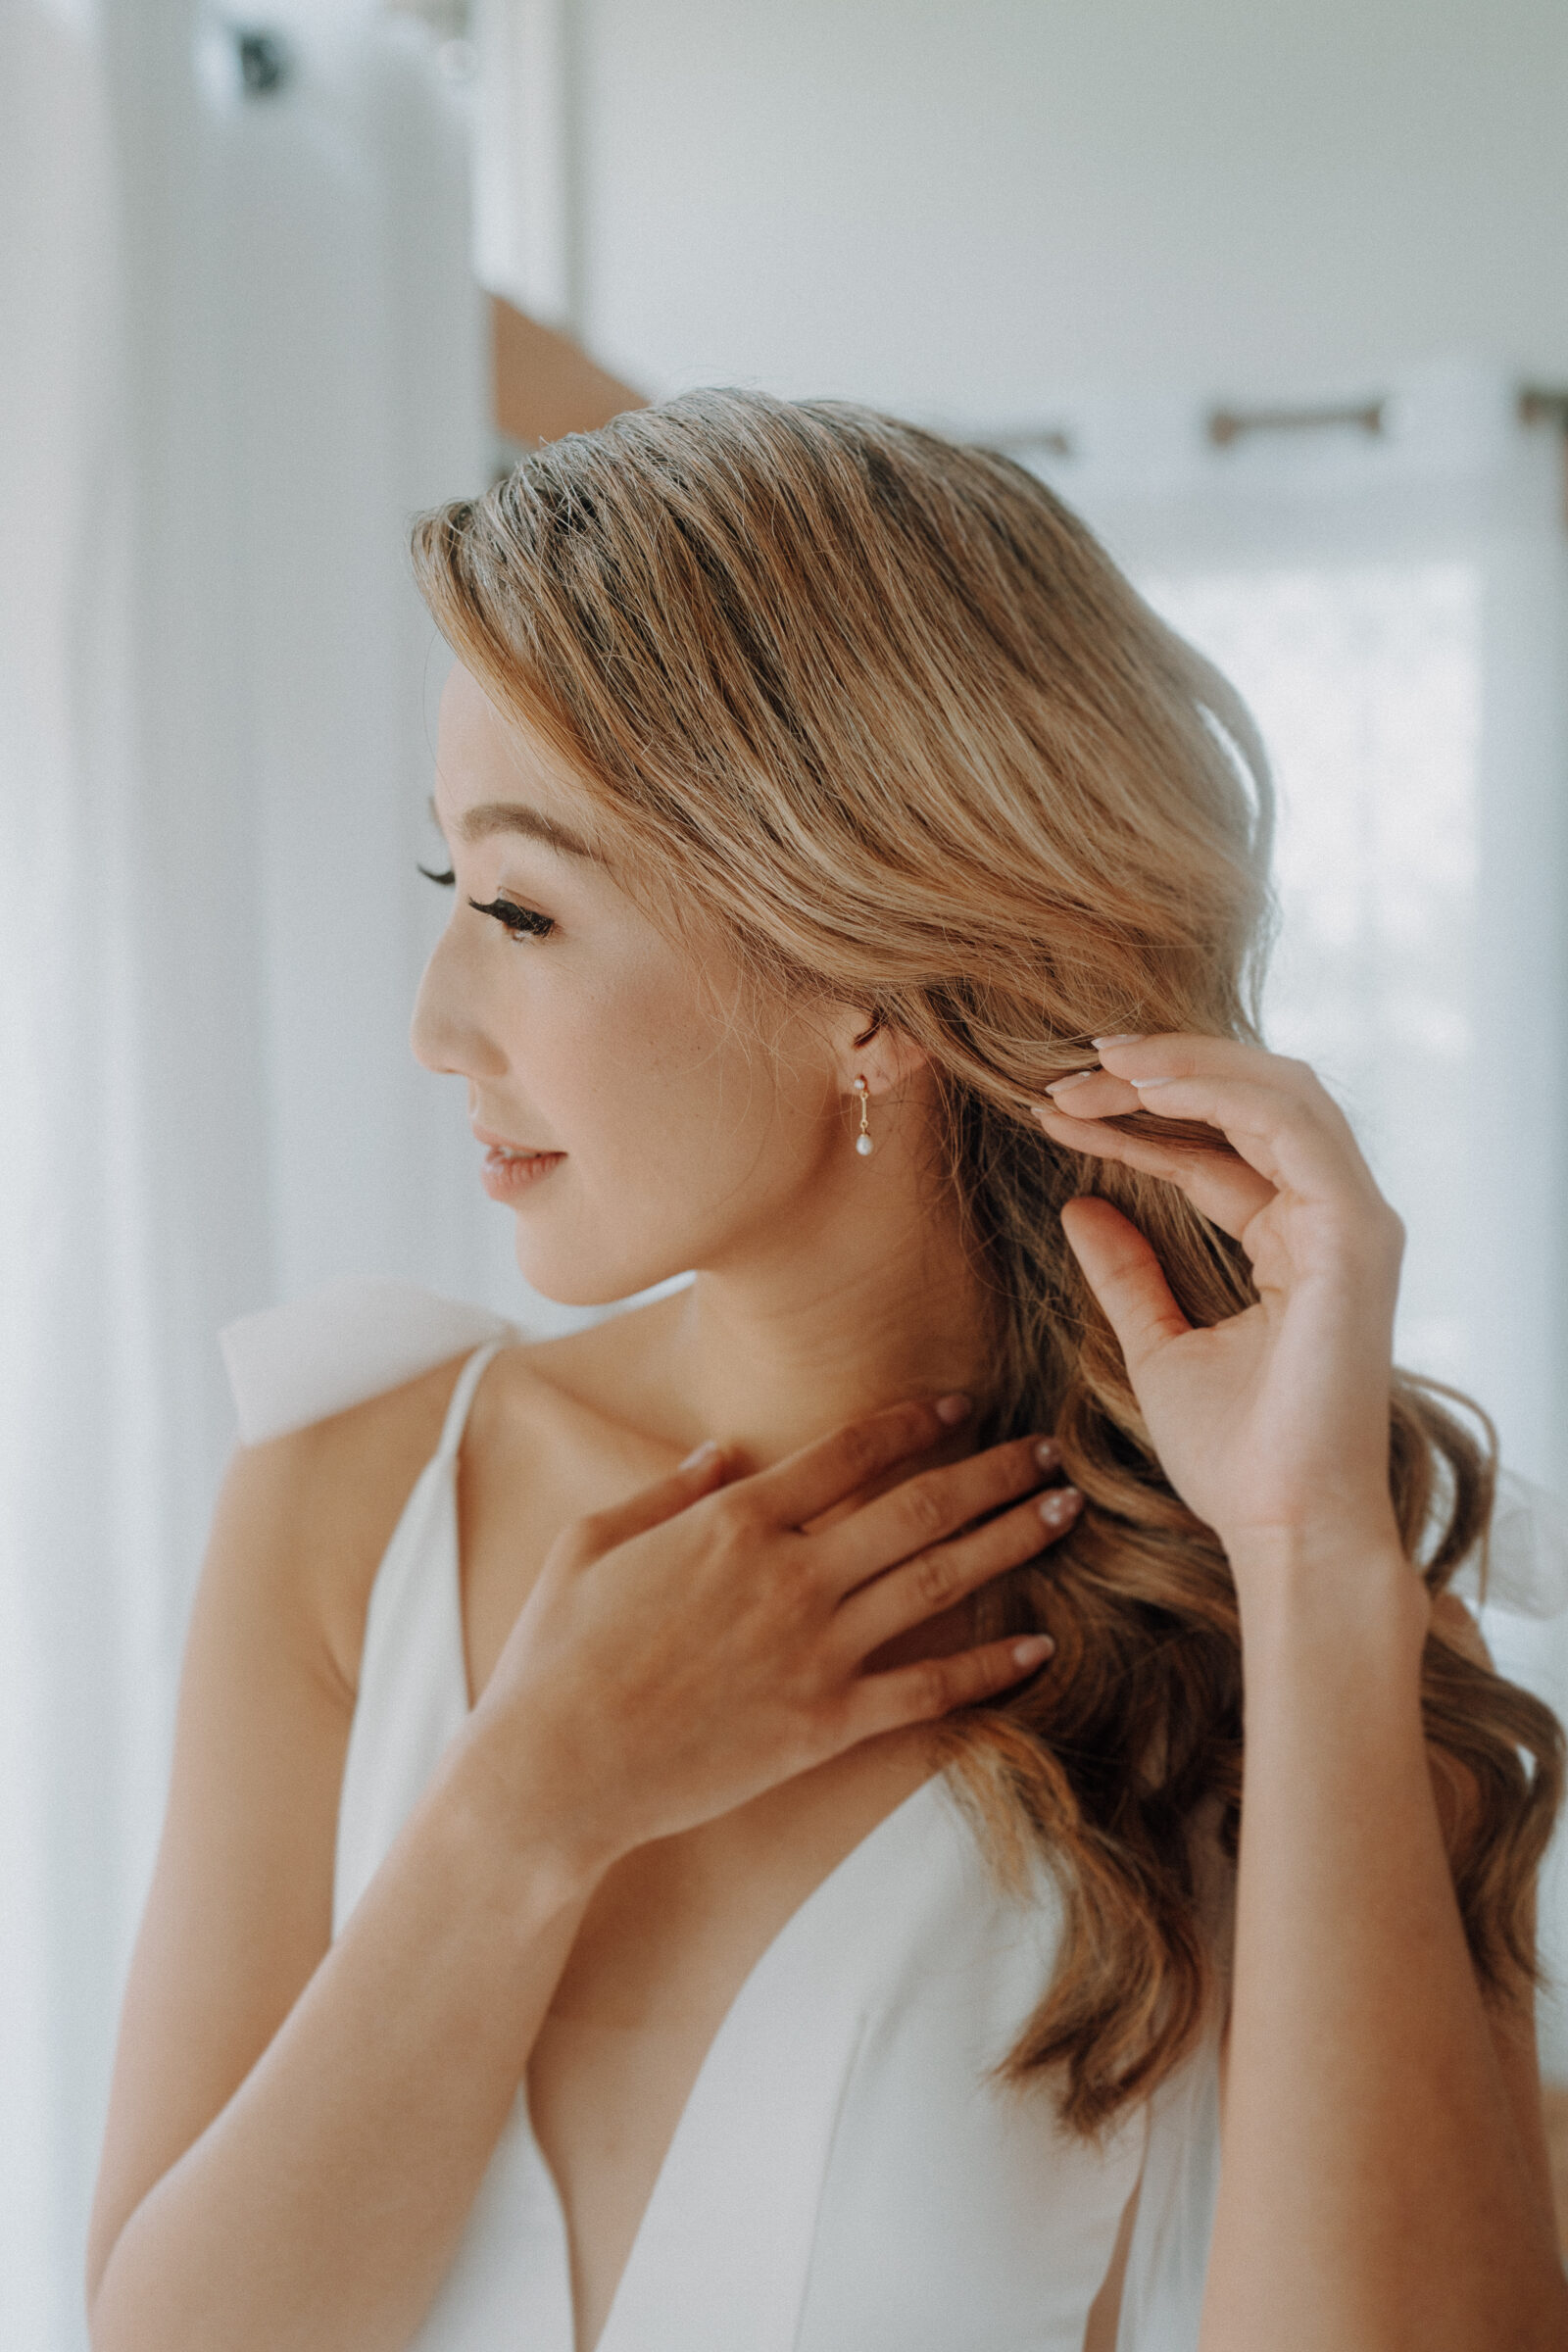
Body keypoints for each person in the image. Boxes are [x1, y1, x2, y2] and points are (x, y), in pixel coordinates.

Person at [85, 393, 1566, 2351]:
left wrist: (1305, 1563)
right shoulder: (350, 1505)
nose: (438, 1021)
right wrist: (523, 1809)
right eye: (445, 890)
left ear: (865, 987)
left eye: (523, 910)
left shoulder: (1259, 1593)